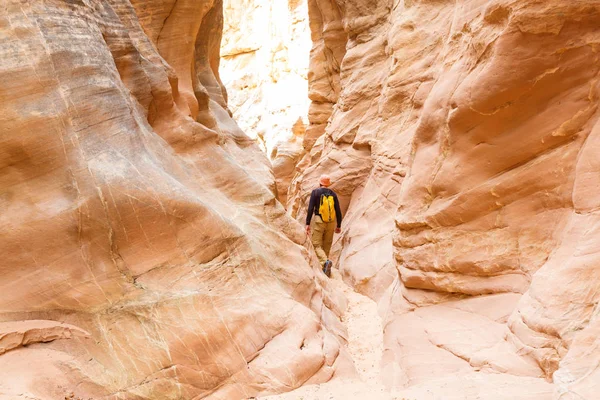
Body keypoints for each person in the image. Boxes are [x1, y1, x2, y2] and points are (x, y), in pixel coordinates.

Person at [305, 174, 343, 276]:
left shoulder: (316, 192)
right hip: (331, 222)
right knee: (327, 244)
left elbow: (310, 209)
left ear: (320, 182)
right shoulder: (333, 194)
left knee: (317, 244)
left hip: (319, 220)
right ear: (328, 183)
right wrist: (338, 225)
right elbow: (338, 211)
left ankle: (325, 262)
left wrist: (307, 223)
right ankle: (325, 268)